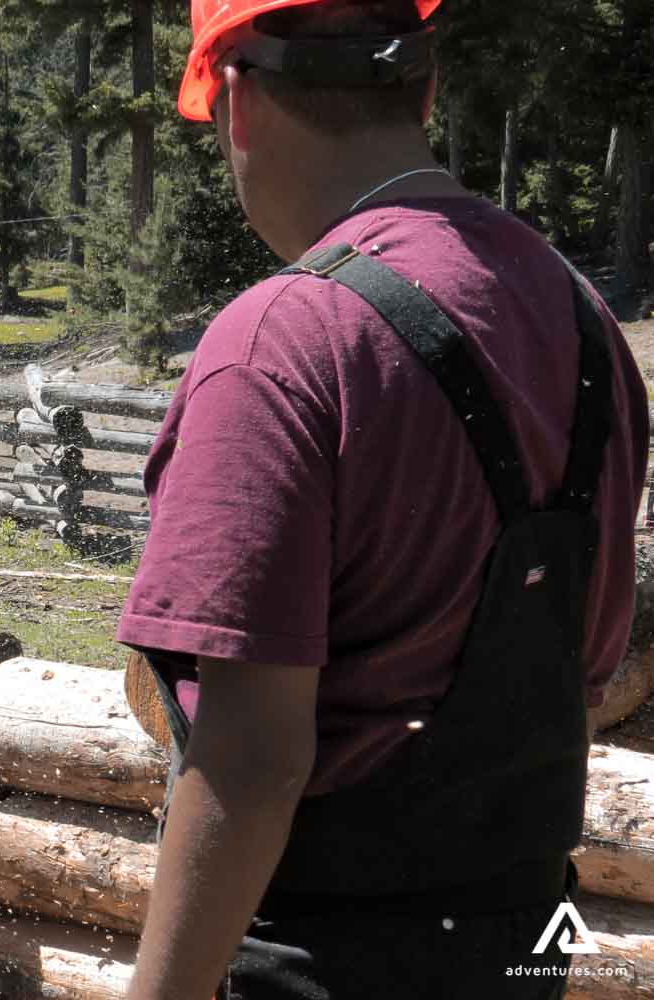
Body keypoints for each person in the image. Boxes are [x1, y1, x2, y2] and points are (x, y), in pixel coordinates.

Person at [117, 2, 649, 998]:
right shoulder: (585, 324)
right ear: (426, 88)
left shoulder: (283, 343)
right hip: (520, 948)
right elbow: (589, 658)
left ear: (232, 96)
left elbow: (252, 760)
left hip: (327, 964)